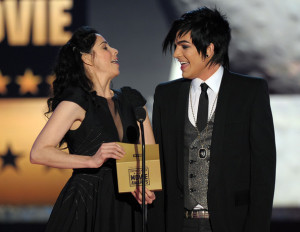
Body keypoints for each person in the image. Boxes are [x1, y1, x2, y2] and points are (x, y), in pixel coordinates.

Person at [149, 7, 276, 232]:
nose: (176, 54)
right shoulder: (165, 95)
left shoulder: (250, 91)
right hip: (178, 223)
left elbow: (263, 171)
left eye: (184, 46)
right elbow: (157, 162)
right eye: (176, 46)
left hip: (231, 223)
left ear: (209, 49)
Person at [30, 26, 155, 232]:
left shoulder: (132, 101)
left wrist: (145, 186)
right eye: (105, 47)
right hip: (87, 203)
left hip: (126, 207)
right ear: (87, 59)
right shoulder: (77, 102)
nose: (115, 51)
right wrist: (91, 160)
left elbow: (147, 156)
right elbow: (39, 152)